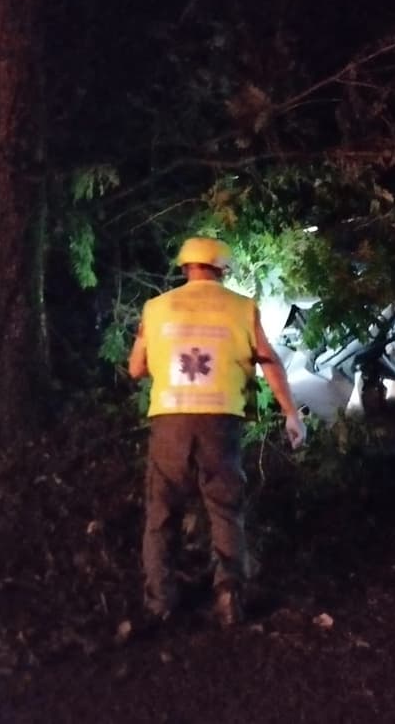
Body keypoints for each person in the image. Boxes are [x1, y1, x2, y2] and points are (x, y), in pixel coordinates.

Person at [127, 236, 307, 627]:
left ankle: (160, 603)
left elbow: (136, 369)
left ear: (185, 267)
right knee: (225, 510)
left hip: (170, 422)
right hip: (220, 423)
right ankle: (228, 599)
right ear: (223, 269)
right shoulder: (242, 308)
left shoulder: (156, 309)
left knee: (161, 514)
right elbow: (269, 361)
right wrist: (292, 413)